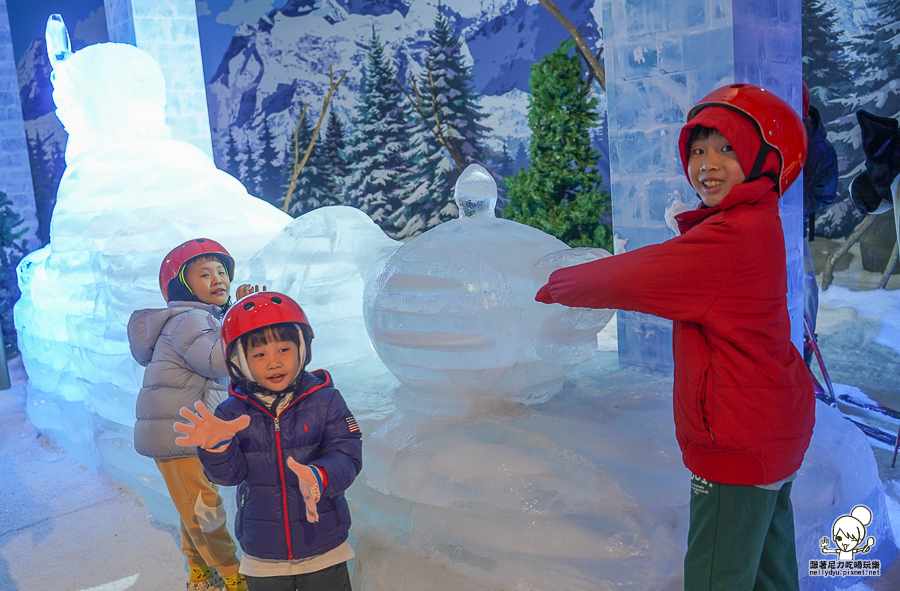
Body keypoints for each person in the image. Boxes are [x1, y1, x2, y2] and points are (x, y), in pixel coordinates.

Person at [535, 83, 816, 591]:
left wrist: (554, 282)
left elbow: (633, 277)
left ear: (760, 158)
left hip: (738, 436)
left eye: (727, 148)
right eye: (698, 149)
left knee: (717, 576)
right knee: (769, 572)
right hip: (772, 425)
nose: (707, 163)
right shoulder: (754, 222)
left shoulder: (731, 236)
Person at [173, 291, 363, 591]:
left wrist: (319, 476)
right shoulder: (231, 412)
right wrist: (216, 449)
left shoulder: (326, 400)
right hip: (262, 549)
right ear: (239, 361)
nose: (273, 363)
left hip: (323, 542)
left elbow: (348, 455)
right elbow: (229, 476)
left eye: (284, 350)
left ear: (302, 348)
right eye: (259, 355)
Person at [128, 238, 260, 591]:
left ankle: (200, 574)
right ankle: (234, 577)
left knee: (196, 506)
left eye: (221, 271)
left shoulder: (206, 318)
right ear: (182, 285)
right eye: (204, 274)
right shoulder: (189, 319)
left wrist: (235, 313)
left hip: (191, 429)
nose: (218, 278)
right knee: (204, 509)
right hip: (178, 431)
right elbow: (217, 358)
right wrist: (245, 315)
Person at [800, 82, 838, 351]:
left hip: (793, 230)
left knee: (806, 286)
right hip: (752, 227)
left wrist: (793, 205)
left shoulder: (818, 147)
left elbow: (825, 194)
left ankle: (805, 346)